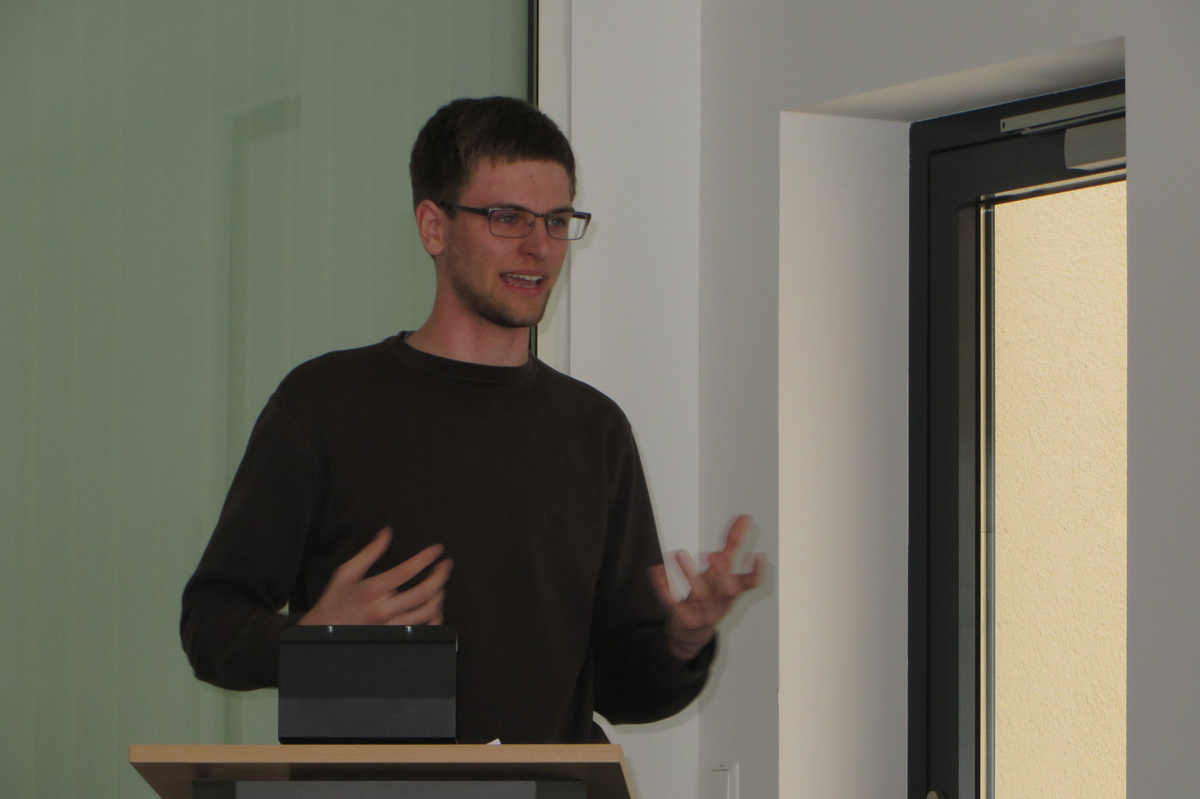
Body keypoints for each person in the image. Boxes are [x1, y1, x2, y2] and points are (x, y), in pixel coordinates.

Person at [180, 96, 764, 744]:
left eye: (557, 220)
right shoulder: (324, 404)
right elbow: (210, 626)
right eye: (507, 218)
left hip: (547, 787)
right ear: (434, 227)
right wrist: (313, 637)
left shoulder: (593, 430)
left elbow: (624, 687)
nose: (539, 246)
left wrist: (683, 638)